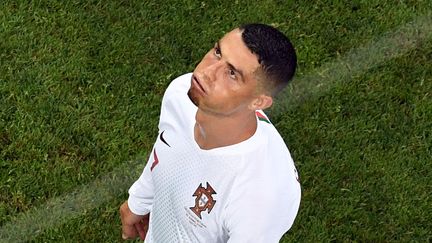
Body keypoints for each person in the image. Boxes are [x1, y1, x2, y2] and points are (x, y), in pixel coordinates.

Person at [120, 23, 301, 242]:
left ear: (259, 101)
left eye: (232, 73)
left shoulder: (263, 196)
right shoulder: (181, 94)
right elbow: (165, 147)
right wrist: (139, 201)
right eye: (217, 52)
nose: (206, 73)